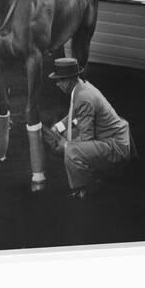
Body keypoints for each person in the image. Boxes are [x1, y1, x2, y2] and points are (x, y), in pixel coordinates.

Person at [43, 58, 134, 199]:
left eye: (59, 80)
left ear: (69, 81)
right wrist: (57, 128)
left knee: (71, 150)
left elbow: (86, 138)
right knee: (68, 134)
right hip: (108, 134)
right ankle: (91, 171)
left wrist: (65, 145)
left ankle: (84, 189)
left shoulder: (83, 98)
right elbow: (74, 115)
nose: (57, 84)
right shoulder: (80, 87)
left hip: (115, 145)